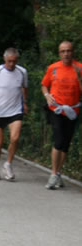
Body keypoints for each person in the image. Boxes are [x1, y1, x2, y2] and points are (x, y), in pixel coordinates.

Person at [41, 40, 82, 189]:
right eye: (63, 51)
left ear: (72, 52)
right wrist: (47, 96)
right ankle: (53, 174)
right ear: (59, 53)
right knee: (58, 140)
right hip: (56, 109)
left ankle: (58, 173)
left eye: (68, 51)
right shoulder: (53, 68)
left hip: (72, 110)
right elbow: (44, 85)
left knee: (65, 144)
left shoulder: (79, 68)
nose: (66, 54)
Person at [0, 48, 28, 181]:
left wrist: (24, 102)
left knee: (15, 138)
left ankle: (8, 164)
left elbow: (24, 87)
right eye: (9, 61)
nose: (11, 64)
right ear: (5, 59)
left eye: (14, 61)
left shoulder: (22, 72)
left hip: (15, 111)